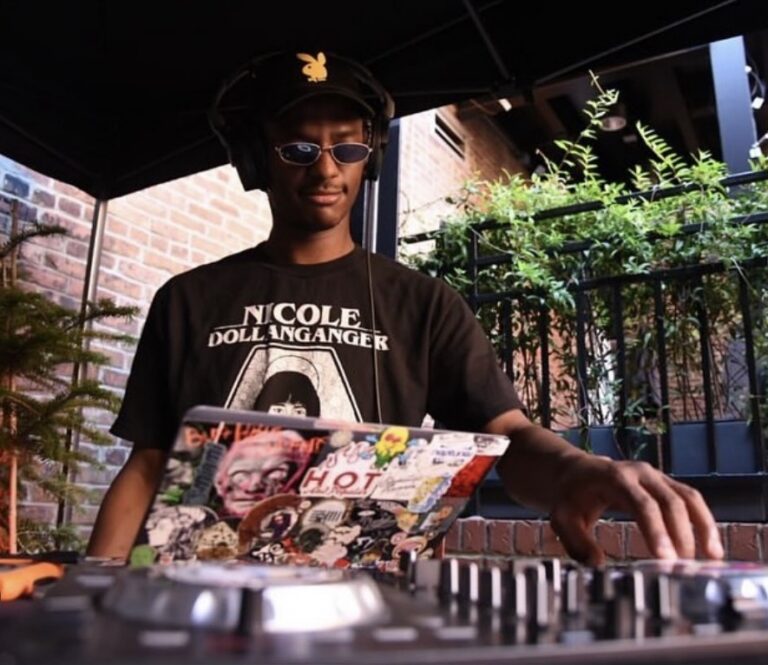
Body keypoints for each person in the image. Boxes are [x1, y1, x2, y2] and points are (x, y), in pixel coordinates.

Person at [87, 50, 724, 564]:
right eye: (299, 149)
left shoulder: (423, 303)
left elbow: (507, 434)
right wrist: (90, 592)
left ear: (372, 157)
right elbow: (147, 461)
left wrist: (573, 472)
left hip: (365, 610)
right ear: (258, 159)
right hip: (195, 603)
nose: (326, 170)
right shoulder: (188, 299)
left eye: (348, 148)